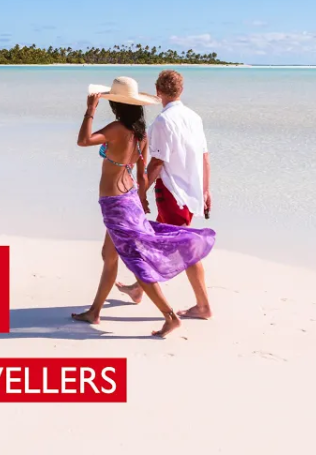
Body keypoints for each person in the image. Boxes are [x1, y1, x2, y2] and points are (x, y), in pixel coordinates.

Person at [70, 76, 216, 338]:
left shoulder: (117, 129)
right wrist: (142, 199)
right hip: (129, 199)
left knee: (136, 261)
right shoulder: (140, 133)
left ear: (116, 105)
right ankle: (94, 311)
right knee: (109, 255)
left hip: (115, 203)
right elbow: (141, 174)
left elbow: (83, 140)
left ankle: (170, 317)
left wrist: (89, 111)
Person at [115, 69, 214, 319]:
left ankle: (203, 306)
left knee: (187, 249)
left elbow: (157, 162)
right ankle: (139, 289)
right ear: (181, 91)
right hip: (191, 193)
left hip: (172, 193)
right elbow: (204, 157)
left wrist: (139, 192)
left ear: (158, 92)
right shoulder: (194, 117)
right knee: (151, 240)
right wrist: (205, 190)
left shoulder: (162, 121)